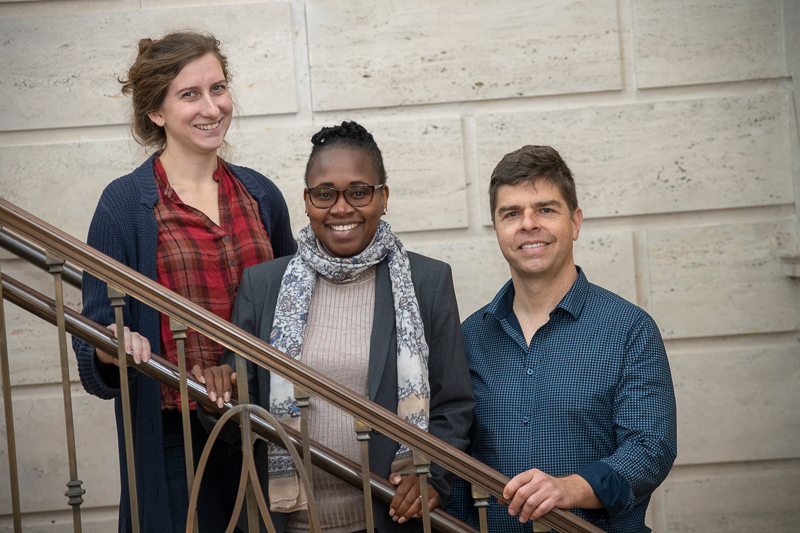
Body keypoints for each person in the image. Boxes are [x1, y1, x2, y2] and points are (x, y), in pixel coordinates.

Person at [194, 120, 474, 533]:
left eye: (358, 192)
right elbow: (240, 416)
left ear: (383, 197)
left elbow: (453, 404)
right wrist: (213, 395)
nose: (341, 208)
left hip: (387, 519)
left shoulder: (427, 282)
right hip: (285, 524)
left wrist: (431, 473)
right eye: (325, 194)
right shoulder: (263, 285)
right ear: (307, 201)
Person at [72, 32, 296, 533]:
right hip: (173, 433)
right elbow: (96, 327)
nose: (211, 107)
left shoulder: (262, 195)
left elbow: (296, 306)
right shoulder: (124, 206)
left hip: (260, 424)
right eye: (189, 94)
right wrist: (112, 343)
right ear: (156, 111)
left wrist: (239, 368)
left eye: (218, 88)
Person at [447, 145, 677, 533]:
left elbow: (650, 449)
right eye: (512, 213)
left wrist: (568, 489)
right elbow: (454, 460)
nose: (528, 224)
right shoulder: (470, 337)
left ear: (575, 222)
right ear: (498, 229)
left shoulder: (630, 329)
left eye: (545, 210)